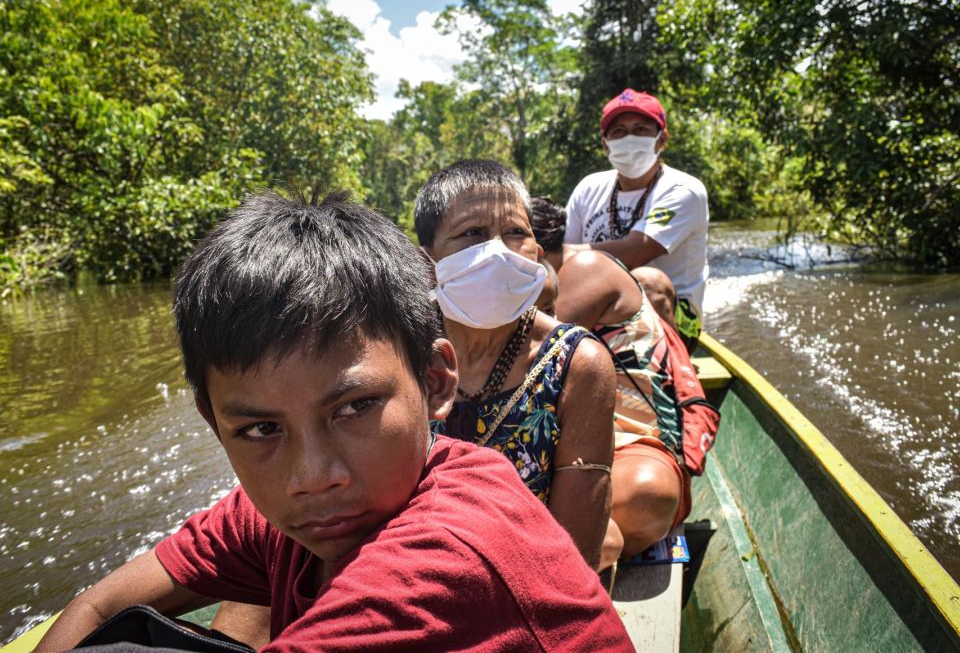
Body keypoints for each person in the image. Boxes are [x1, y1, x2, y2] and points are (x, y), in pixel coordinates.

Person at [35, 192, 633, 652]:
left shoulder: (447, 554)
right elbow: (93, 608)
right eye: (261, 430)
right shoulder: (277, 512)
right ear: (214, 424)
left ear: (434, 383)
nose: (314, 475)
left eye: (353, 408)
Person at [414, 160, 617, 571]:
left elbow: (573, 556)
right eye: (472, 233)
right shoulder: (397, 351)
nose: (498, 250)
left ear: (537, 255)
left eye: (515, 233)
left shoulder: (578, 364)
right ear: (426, 262)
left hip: (524, 585)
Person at [531, 195, 718, 561]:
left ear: (536, 251)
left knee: (643, 497)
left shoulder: (585, 269)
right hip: (571, 440)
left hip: (633, 443)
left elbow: (527, 361)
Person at [563, 89, 709, 350]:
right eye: (618, 131)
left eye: (641, 129)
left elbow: (633, 252)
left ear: (661, 140)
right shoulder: (588, 188)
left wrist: (560, 251)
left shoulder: (683, 189)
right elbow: (562, 266)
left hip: (678, 318)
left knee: (648, 280)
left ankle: (672, 379)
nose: (629, 138)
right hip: (603, 306)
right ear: (605, 144)